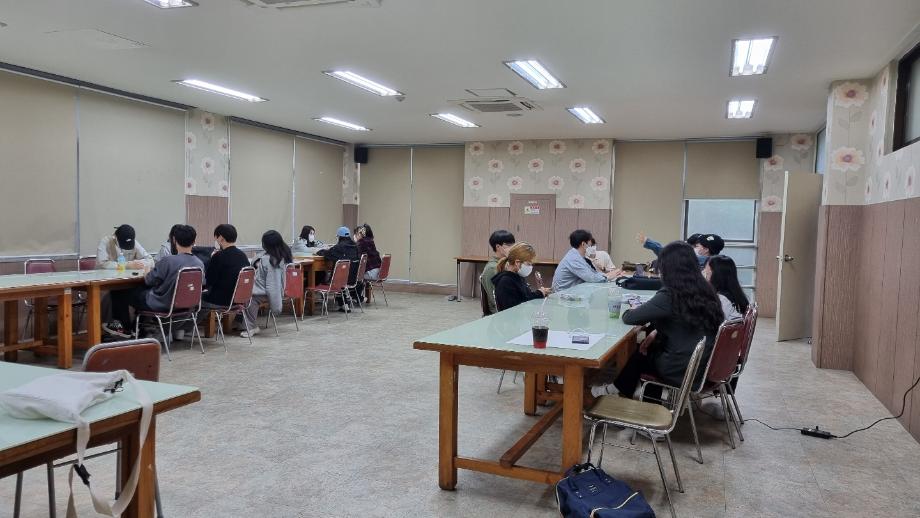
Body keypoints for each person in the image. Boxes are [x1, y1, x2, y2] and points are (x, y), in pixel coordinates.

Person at [611, 241, 724, 400]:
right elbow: (685, 322)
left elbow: (630, 318)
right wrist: (656, 331)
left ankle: (621, 395)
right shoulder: (706, 289)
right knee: (649, 346)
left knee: (643, 354)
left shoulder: (670, 294)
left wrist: (632, 309)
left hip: (681, 368)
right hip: (704, 365)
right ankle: (630, 395)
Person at [110, 225, 204, 334]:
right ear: (194, 241)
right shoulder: (199, 264)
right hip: (186, 306)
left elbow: (149, 281)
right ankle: (137, 328)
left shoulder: (168, 261)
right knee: (142, 294)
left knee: (119, 293)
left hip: (162, 303)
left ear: (174, 240)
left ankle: (125, 330)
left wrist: (146, 272)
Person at [242, 230, 292, 337]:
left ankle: (251, 327)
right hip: (272, 289)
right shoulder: (282, 255)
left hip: (268, 292)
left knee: (248, 296)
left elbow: (273, 286)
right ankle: (243, 323)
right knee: (246, 292)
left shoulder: (270, 260)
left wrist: (276, 307)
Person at [552, 229, 620, 292]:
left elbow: (593, 273)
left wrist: (610, 274)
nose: (591, 247)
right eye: (590, 244)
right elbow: (591, 278)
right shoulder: (573, 259)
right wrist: (608, 276)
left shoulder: (578, 256)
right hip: (563, 295)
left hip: (571, 292)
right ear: (583, 244)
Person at [202, 224, 250, 308]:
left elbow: (210, 280)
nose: (216, 241)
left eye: (216, 238)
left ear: (221, 238)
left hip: (221, 300)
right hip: (239, 299)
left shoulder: (218, 256)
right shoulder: (243, 255)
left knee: (195, 299)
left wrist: (212, 259)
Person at [491, 243, 551, 311]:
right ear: (517, 263)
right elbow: (516, 308)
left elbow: (525, 297)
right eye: (528, 264)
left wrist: (540, 292)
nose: (531, 267)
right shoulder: (506, 282)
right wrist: (539, 294)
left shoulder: (517, 277)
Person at [316, 226, 360, 311]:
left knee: (331, 275)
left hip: (341, 280)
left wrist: (319, 251)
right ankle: (344, 304)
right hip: (353, 278)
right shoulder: (355, 246)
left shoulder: (339, 247)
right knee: (341, 275)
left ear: (339, 237)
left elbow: (327, 254)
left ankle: (343, 303)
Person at [704, 255, 749, 321]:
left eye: (707, 274)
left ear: (715, 275)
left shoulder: (721, 299)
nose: (705, 278)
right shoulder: (736, 294)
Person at [480, 230, 516, 314]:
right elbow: (495, 299)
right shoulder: (492, 268)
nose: (512, 248)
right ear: (498, 247)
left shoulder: (506, 264)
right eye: (509, 245)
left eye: (513, 245)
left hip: (509, 307)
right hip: (499, 313)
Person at [637, 231, 712, 268]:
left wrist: (651, 244)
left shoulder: (709, 262)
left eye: (696, 246)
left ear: (706, 249)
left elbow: (670, 254)